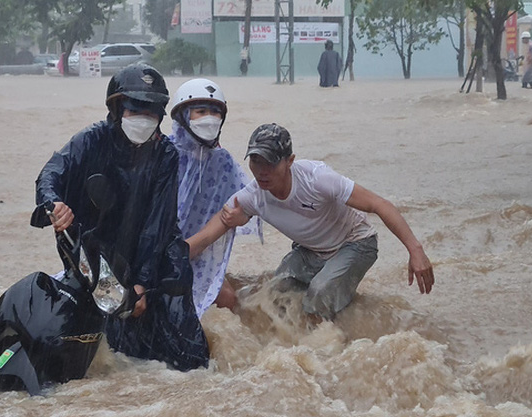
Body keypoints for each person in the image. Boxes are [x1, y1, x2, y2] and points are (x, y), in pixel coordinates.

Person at [33, 63, 209, 371]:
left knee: (176, 274)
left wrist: (141, 283)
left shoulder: (165, 155)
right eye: (135, 110)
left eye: (151, 113)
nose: (143, 119)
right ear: (116, 109)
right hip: (98, 246)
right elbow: (51, 174)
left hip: (151, 252)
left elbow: (158, 222)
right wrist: (54, 204)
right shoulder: (90, 140)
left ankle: (190, 368)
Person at [188, 123, 434, 323]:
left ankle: (327, 347)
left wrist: (415, 250)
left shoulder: (318, 180)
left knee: (318, 295)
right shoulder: (252, 196)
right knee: (274, 294)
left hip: (355, 243)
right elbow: (208, 235)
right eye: (256, 161)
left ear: (289, 161)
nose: (262, 171)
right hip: (310, 250)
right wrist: (174, 255)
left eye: (270, 163)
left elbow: (380, 205)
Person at [168, 78, 260, 317]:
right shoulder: (161, 155)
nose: (209, 117)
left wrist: (242, 215)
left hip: (197, 251)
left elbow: (248, 203)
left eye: (215, 112)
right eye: (201, 111)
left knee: (227, 299)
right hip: (155, 255)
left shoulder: (224, 163)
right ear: (184, 116)